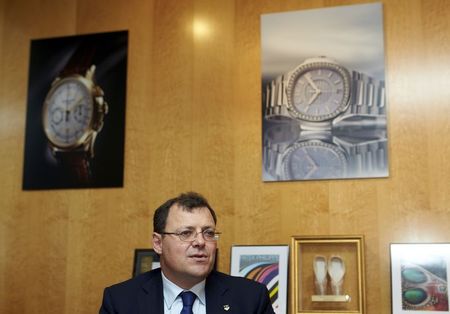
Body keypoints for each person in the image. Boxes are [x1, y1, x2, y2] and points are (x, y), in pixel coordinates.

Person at [99, 191, 275, 314]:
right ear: (158, 243)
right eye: (185, 233)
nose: (200, 242)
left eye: (209, 233)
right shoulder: (120, 301)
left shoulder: (250, 298)